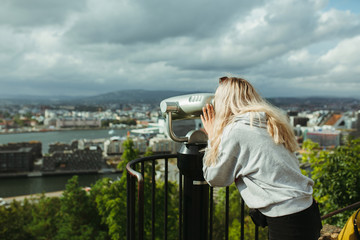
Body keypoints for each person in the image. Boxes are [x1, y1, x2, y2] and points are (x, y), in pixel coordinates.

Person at [201, 76, 322, 240]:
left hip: (287, 219)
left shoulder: (236, 130)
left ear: (224, 103)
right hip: (307, 209)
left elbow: (215, 178)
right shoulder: (270, 121)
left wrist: (213, 136)